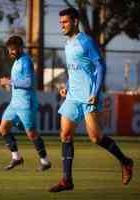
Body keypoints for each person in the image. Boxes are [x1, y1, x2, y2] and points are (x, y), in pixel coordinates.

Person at [48, 7, 134, 192]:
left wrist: (95, 93)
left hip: (88, 96)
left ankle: (126, 162)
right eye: (60, 22)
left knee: (95, 138)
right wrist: (68, 87)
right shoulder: (67, 43)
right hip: (72, 97)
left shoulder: (86, 41)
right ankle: (67, 180)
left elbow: (100, 67)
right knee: (65, 134)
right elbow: (75, 69)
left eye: (65, 22)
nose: (61, 25)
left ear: (75, 21)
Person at [0, 35, 51, 172]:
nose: (10, 52)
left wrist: (9, 82)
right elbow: (18, 82)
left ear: (20, 48)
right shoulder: (16, 61)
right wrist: (9, 84)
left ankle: (45, 161)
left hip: (26, 104)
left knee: (31, 134)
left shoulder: (26, 61)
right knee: (3, 128)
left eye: (13, 49)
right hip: (14, 103)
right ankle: (16, 158)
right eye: (9, 50)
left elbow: (28, 83)